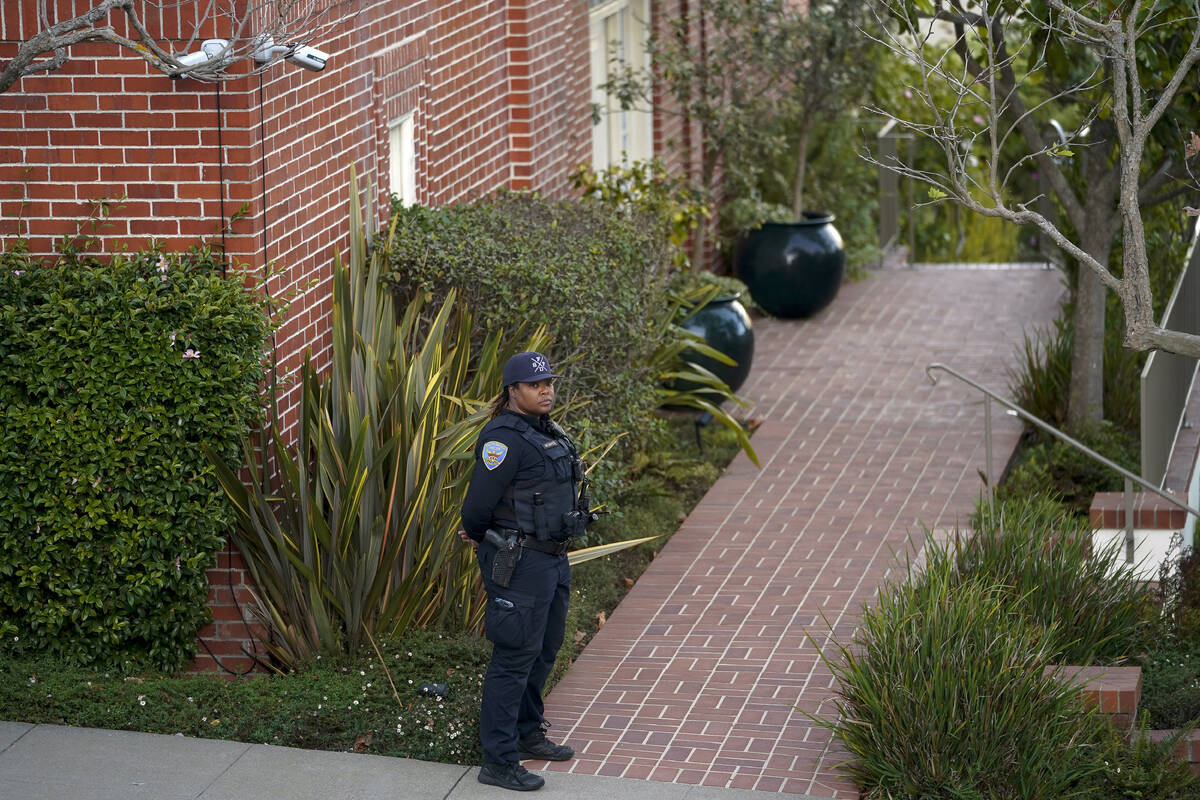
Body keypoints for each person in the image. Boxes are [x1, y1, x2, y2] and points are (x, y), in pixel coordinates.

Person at [460, 351, 590, 792]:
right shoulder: (503, 440)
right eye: (535, 385)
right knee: (514, 657)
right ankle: (498, 761)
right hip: (518, 562)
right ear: (512, 391)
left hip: (552, 558)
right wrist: (483, 537)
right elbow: (476, 508)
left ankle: (526, 731)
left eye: (549, 382)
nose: (546, 390)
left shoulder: (546, 431)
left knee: (546, 648)